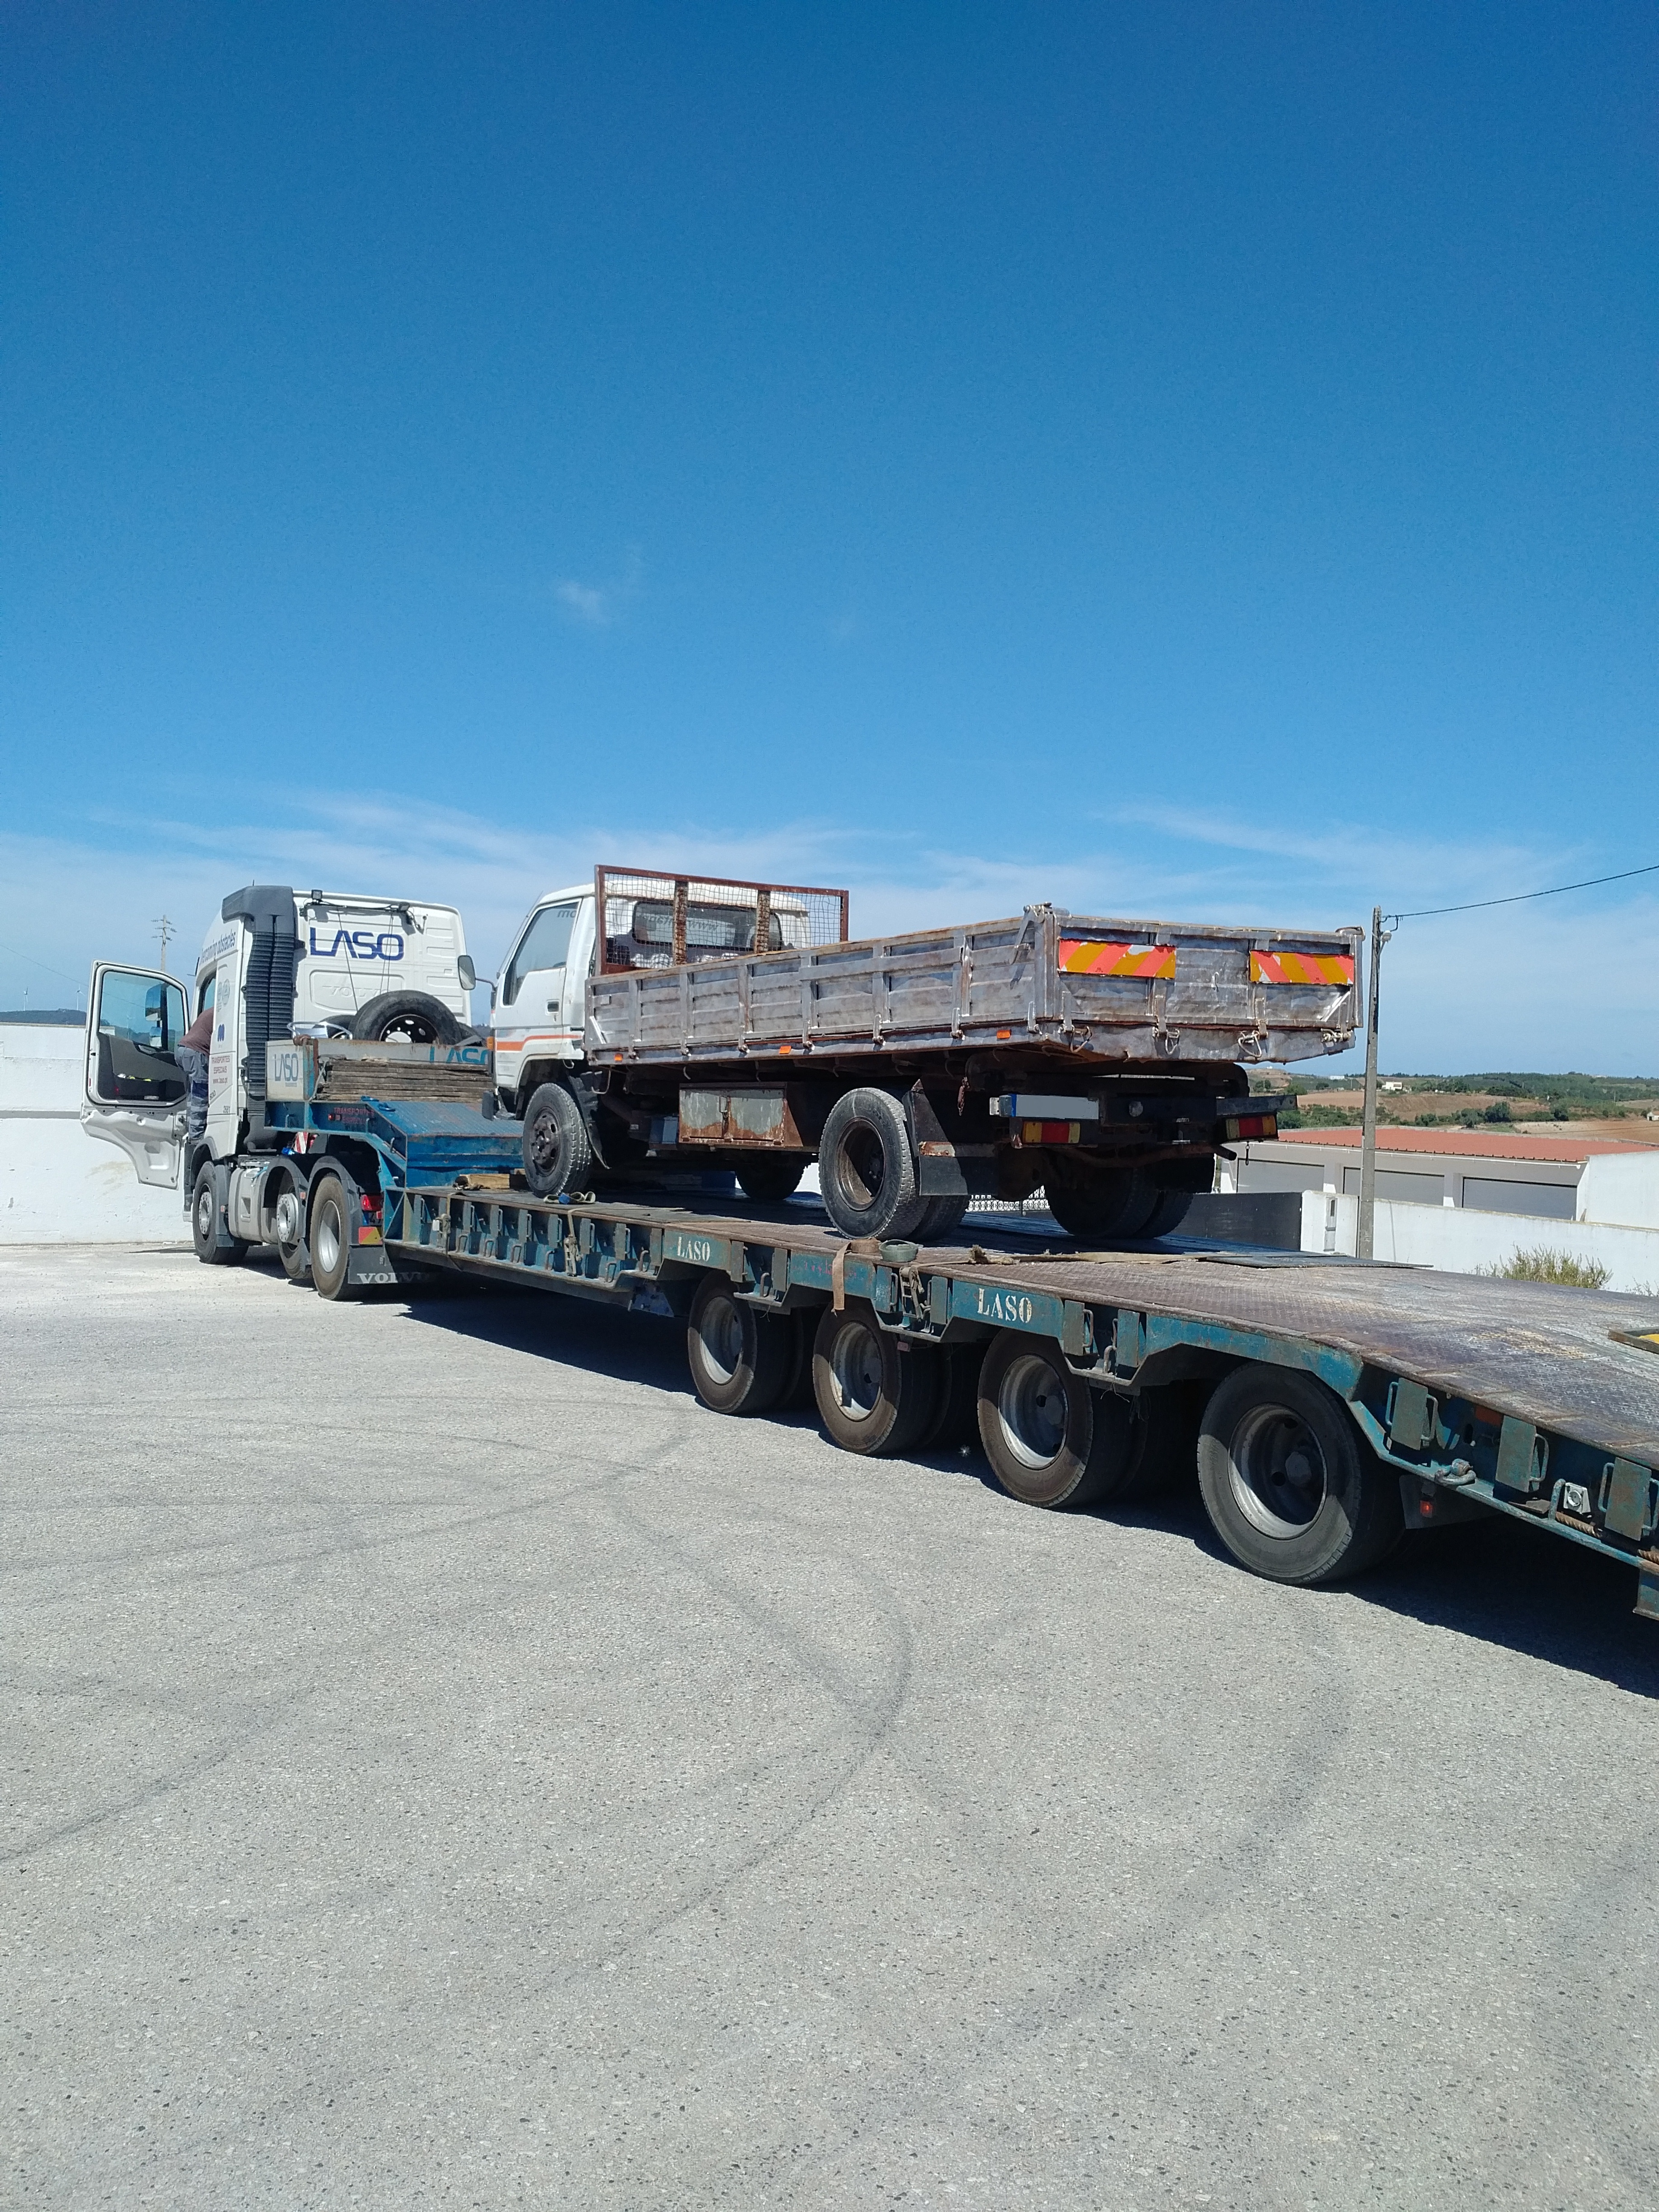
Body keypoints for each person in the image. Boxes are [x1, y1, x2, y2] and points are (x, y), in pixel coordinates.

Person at [175, 1002, 214, 1143]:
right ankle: (196, 1138)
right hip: (196, 1052)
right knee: (200, 1096)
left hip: (181, 1050)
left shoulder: (210, 1012)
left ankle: (190, 1130)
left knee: (192, 1094)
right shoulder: (223, 1013)